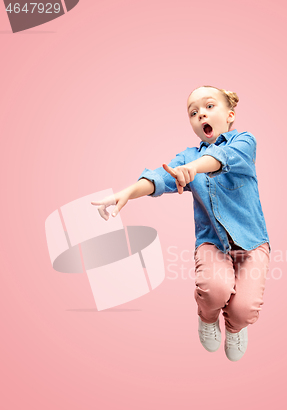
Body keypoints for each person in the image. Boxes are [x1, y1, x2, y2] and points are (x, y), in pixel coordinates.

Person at [91, 85, 271, 362]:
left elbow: (221, 159)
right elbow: (158, 179)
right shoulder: (187, 157)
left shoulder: (245, 142)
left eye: (210, 107)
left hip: (252, 241)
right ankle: (208, 318)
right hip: (212, 242)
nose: (201, 115)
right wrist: (128, 191)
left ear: (230, 114)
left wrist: (195, 168)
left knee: (245, 310)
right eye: (193, 112)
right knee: (214, 291)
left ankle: (235, 327)